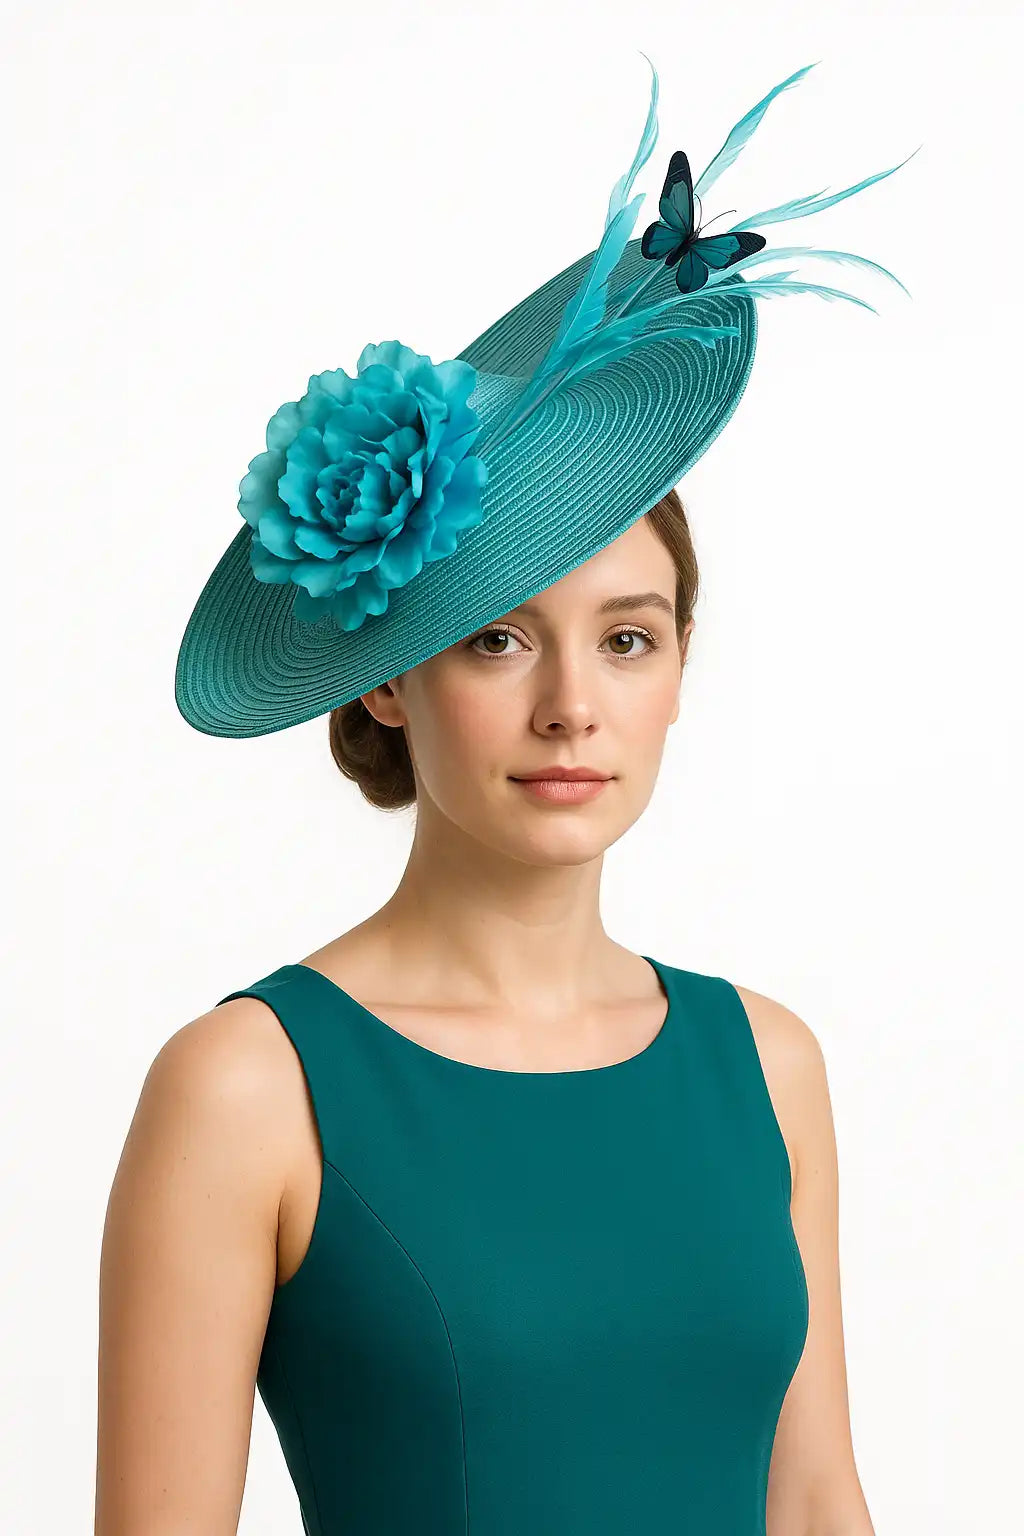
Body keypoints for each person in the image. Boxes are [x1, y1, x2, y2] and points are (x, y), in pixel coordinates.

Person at [95, 54, 915, 1536]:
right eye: (497, 639)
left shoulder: (765, 1065)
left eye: (628, 638)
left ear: (680, 665)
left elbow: (814, 1501)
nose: (570, 706)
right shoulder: (247, 1088)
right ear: (387, 680)